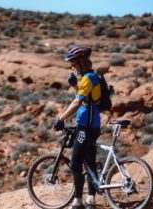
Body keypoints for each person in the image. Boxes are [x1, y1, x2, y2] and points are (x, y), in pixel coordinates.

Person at [54, 46, 101, 209]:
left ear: (81, 62)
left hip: (86, 127)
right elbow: (87, 99)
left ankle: (77, 202)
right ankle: (91, 200)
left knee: (75, 163)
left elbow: (77, 102)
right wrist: (75, 86)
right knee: (89, 162)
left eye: (73, 64)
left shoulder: (88, 78)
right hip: (92, 125)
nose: (72, 68)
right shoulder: (92, 78)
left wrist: (61, 118)